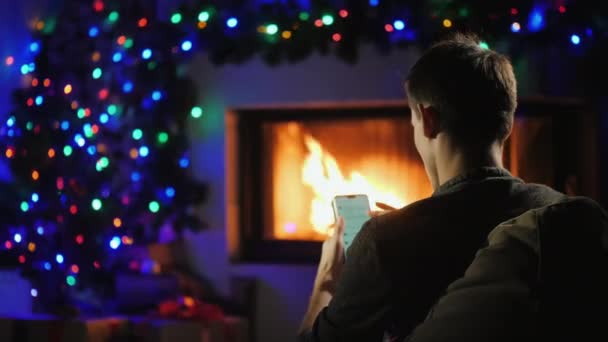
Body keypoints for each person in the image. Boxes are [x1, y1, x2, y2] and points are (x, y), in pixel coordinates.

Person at [297, 33, 565, 341]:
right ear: (506, 120)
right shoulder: (556, 213)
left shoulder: (385, 244)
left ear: (427, 120)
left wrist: (327, 282)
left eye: (412, 122)